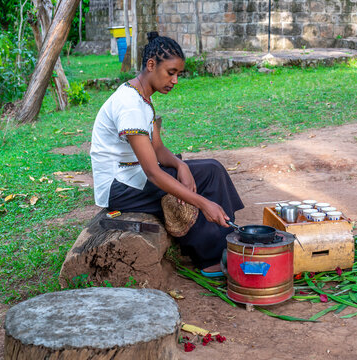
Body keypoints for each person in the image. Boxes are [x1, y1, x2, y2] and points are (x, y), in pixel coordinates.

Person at [90, 32, 244, 276]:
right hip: (119, 188)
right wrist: (204, 204)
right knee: (189, 190)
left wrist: (181, 167)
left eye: (178, 74)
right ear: (151, 65)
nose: (175, 80)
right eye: (170, 72)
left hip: (135, 176)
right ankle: (211, 258)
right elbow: (153, 172)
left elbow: (158, 149)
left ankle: (227, 240)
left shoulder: (143, 98)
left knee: (212, 169)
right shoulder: (129, 105)